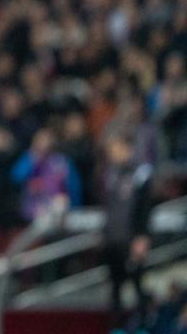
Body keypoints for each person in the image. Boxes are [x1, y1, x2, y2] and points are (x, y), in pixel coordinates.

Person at [101, 133, 154, 329]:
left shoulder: (141, 174)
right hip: (113, 238)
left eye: (116, 149)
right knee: (115, 286)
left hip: (132, 239)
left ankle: (141, 326)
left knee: (137, 285)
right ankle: (117, 328)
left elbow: (145, 208)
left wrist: (142, 237)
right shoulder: (110, 174)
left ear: (127, 148)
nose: (113, 154)